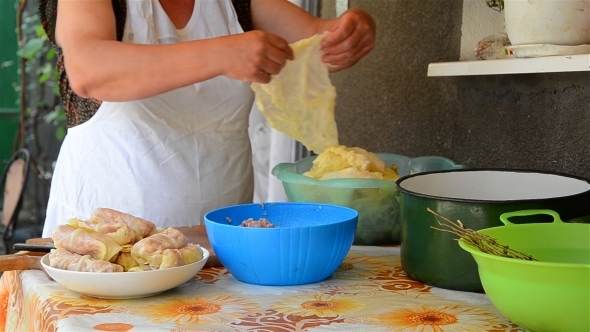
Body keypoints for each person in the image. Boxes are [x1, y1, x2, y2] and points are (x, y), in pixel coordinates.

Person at [40, 0, 376, 237]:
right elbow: (89, 70)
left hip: (222, 245)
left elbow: (321, 42)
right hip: (108, 249)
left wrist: (353, 28)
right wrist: (223, 53)